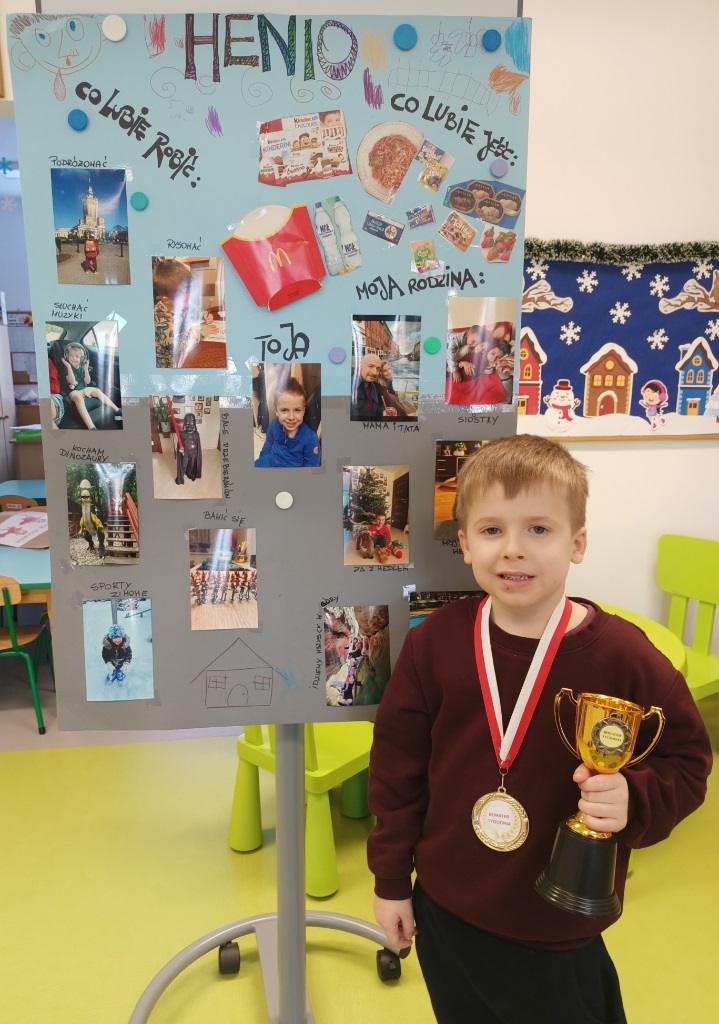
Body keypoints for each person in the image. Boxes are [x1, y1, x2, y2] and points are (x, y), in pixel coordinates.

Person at [368, 434, 712, 1024]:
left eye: (539, 529)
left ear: (577, 543)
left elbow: (688, 762)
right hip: (447, 911)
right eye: (492, 529)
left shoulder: (624, 656)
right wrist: (392, 880)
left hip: (560, 924)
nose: (513, 550)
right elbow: (396, 773)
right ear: (465, 543)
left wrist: (634, 798)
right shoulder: (434, 644)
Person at [255, 377, 321, 467]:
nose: (291, 417)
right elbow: (268, 444)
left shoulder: (310, 439)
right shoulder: (274, 425)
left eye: (297, 410)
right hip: (270, 461)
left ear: (303, 411)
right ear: (276, 411)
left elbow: (311, 467)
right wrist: (262, 460)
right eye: (284, 410)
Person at [153, 257, 202, 368]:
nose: (189, 303)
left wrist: (204, 315)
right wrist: (202, 332)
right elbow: (178, 345)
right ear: (167, 300)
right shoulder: (160, 316)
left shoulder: (181, 305)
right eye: (185, 300)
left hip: (185, 357)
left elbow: (194, 309)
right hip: (169, 364)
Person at [60, 342, 122, 429]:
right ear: (67, 356)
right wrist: (69, 367)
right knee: (78, 398)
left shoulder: (82, 367)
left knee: (97, 391)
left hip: (84, 388)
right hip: (74, 391)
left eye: (77, 356)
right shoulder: (66, 368)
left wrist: (86, 369)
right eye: (71, 355)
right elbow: (72, 382)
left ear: (82, 359)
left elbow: (88, 381)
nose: (74, 358)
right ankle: (92, 427)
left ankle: (117, 410)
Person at [175, 411, 203, 484]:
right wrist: (180, 450)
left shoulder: (196, 434)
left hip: (193, 453)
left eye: (192, 423)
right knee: (183, 464)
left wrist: (196, 454)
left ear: (194, 423)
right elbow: (179, 445)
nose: (190, 425)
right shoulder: (182, 434)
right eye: (187, 423)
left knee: (192, 464)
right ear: (184, 423)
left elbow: (198, 445)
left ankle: (190, 474)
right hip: (185, 453)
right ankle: (181, 475)